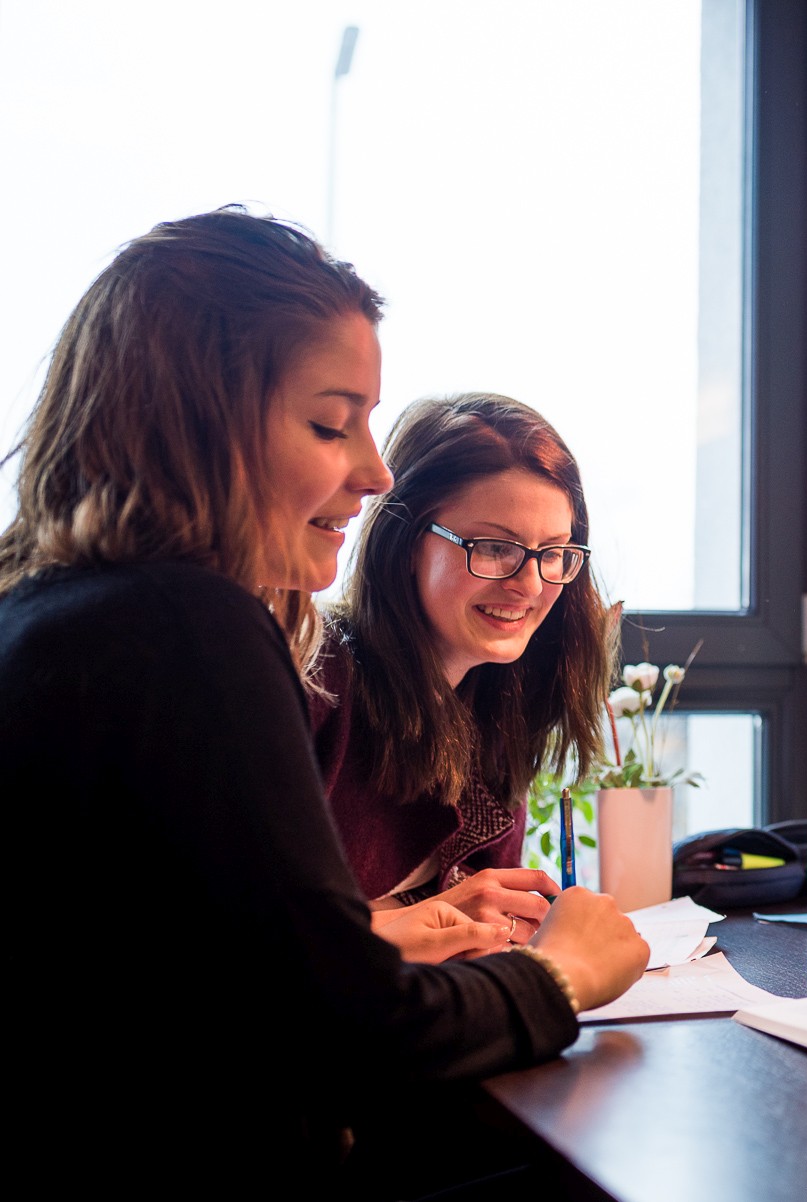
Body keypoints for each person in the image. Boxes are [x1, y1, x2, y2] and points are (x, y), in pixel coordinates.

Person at [0, 208, 650, 1191]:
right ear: (200, 422)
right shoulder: (190, 624)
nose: (374, 472)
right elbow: (344, 1030)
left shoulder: (52, 611)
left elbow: (226, 981)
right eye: (327, 424)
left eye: (554, 554)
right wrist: (560, 975)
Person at [312, 392, 614, 962]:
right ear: (405, 542)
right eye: (495, 547)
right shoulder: (316, 680)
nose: (529, 585)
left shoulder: (500, 704)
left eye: (553, 553)